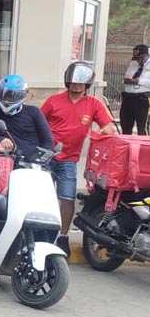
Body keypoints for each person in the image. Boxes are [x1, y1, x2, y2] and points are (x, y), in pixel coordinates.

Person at [42, 61, 117, 255]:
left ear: (87, 85)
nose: (77, 85)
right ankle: (41, 233)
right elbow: (38, 123)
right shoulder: (53, 101)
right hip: (46, 156)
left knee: (67, 199)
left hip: (69, 160)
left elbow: (108, 125)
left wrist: (105, 129)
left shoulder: (93, 104)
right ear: (68, 82)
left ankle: (63, 237)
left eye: (81, 83)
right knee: (43, 197)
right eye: (74, 82)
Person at [0, 74, 54, 160]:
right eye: (4, 95)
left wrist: (39, 161)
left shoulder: (34, 112)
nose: (8, 99)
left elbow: (48, 140)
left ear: (24, 95)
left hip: (30, 166)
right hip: (3, 163)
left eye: (13, 96)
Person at [121, 44, 150, 135]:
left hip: (143, 98)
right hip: (128, 97)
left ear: (147, 55)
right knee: (125, 124)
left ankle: (144, 147)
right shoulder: (134, 63)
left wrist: (139, 81)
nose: (139, 61)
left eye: (141, 58)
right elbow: (127, 77)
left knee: (142, 126)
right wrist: (128, 81)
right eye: (137, 58)